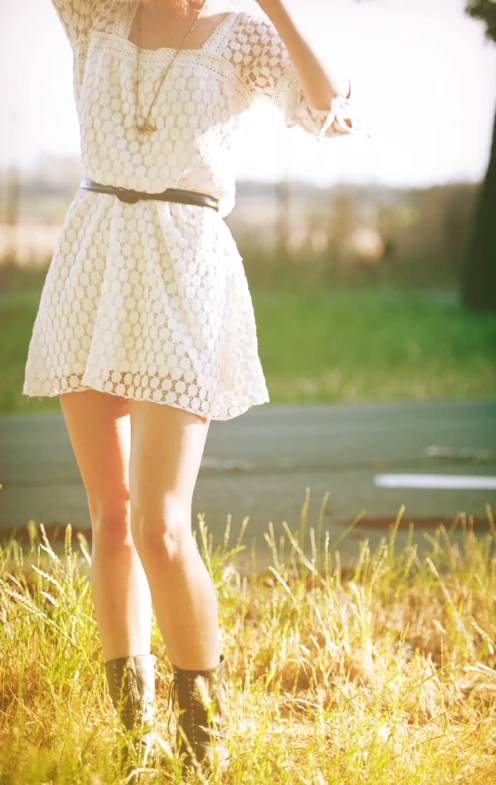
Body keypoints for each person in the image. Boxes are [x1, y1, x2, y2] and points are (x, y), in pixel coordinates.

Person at [23, 0, 363, 777]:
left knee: (161, 528)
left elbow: (330, 108)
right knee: (110, 517)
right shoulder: (97, 14)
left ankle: (202, 741)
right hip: (93, 257)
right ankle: (133, 736)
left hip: (184, 270)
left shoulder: (243, 33)